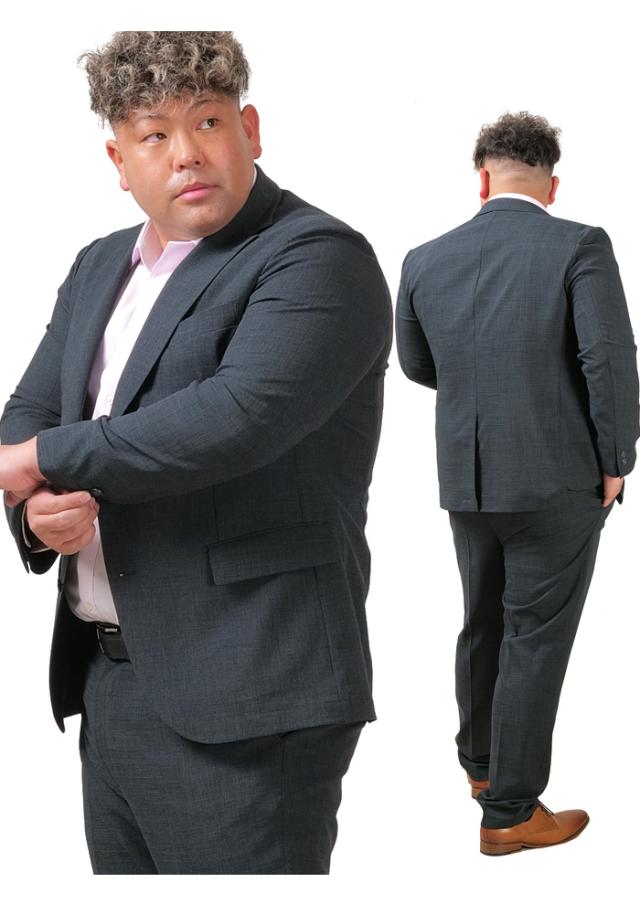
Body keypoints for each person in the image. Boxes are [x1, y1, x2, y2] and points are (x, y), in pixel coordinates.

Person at [0, 31, 392, 874]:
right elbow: (28, 412)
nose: (186, 153)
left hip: (249, 688)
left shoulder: (317, 258)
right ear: (119, 160)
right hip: (109, 677)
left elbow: (235, 417)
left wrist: (40, 459)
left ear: (250, 128)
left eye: (208, 122)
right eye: (154, 134)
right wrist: (35, 512)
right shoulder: (100, 266)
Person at [395, 111, 639, 855]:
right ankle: (509, 811)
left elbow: (419, 365)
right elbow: (608, 359)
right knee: (534, 640)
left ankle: (481, 767)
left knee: (483, 623)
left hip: (468, 481)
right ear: (551, 186)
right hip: (557, 479)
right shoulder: (580, 245)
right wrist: (616, 460)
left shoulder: (423, 258)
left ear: (482, 180)